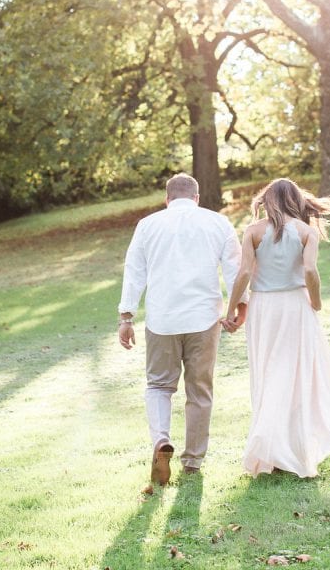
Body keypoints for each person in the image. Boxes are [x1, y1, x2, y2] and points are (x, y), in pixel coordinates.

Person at [118, 172, 247, 485]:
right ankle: (193, 462)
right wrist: (239, 308)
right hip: (204, 318)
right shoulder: (217, 223)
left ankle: (161, 440)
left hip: (162, 320)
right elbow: (235, 270)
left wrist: (126, 316)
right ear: (197, 197)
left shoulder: (148, 225)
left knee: (159, 386)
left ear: (167, 199)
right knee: (199, 389)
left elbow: (134, 271)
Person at [222, 177, 330, 478]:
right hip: (296, 306)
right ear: (296, 200)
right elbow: (310, 269)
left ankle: (273, 446)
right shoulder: (306, 232)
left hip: (264, 308)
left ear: (268, 201)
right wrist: (316, 302)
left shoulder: (253, 232)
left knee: (269, 372)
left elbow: (243, 273)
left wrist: (230, 310)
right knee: (297, 374)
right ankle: (286, 447)